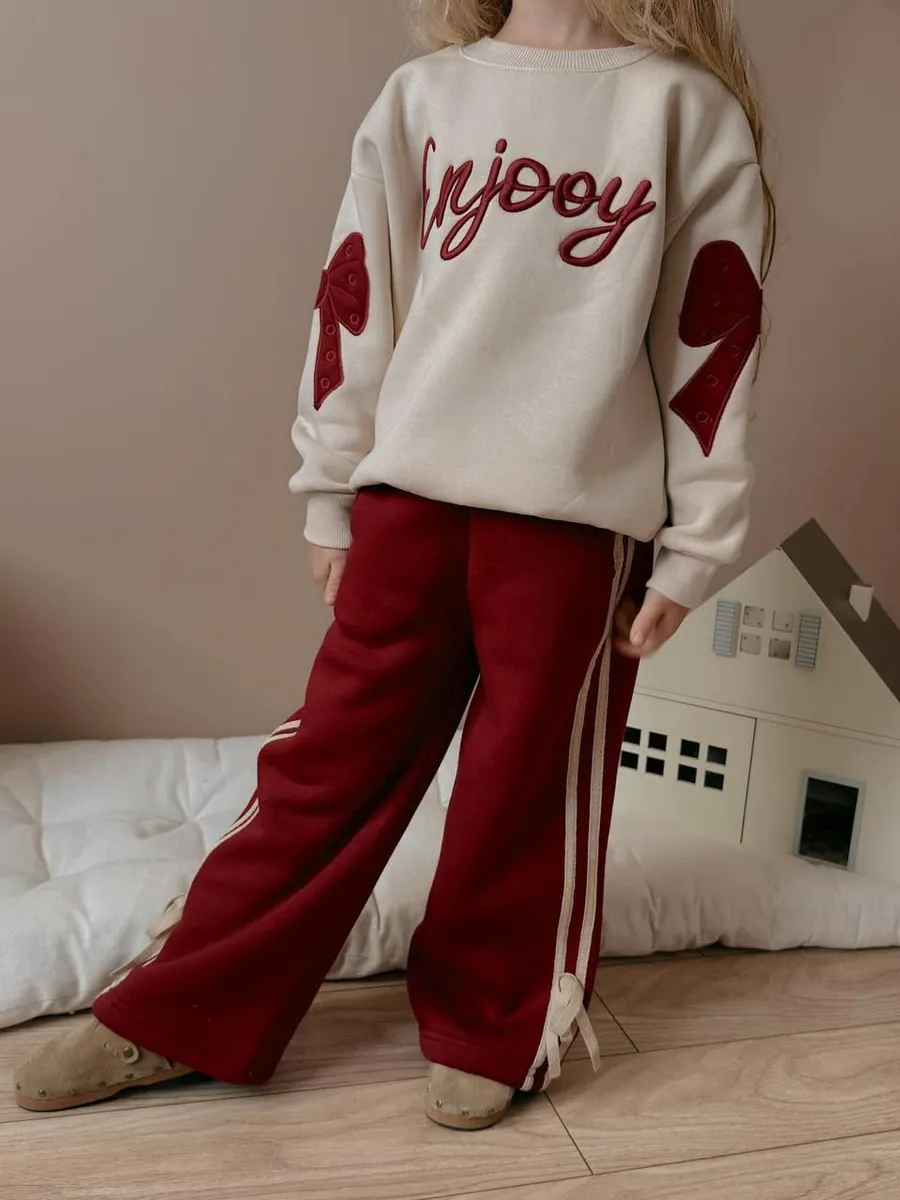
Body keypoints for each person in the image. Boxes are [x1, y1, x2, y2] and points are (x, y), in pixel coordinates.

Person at [14, 0, 773, 1131]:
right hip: (410, 503)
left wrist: (694, 546)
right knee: (325, 764)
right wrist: (329, 488)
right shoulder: (428, 95)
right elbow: (355, 299)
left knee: (527, 786)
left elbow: (714, 338)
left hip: (575, 529)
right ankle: (181, 1009)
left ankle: (492, 1023)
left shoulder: (682, 109)